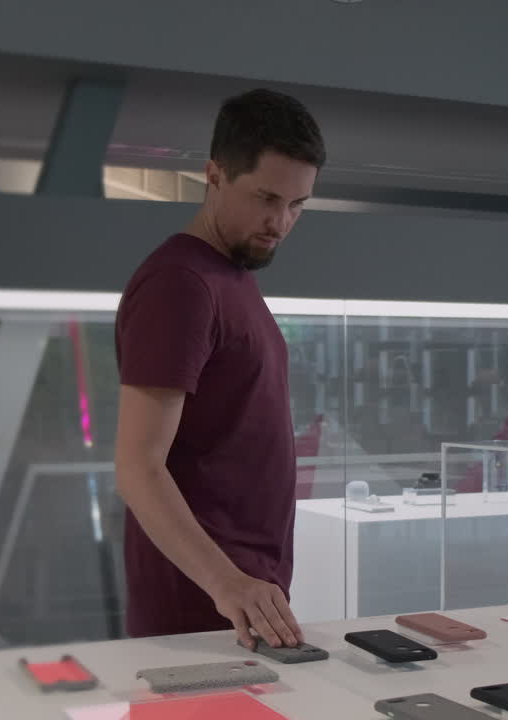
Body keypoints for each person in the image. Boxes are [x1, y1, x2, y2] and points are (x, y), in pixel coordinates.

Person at [114, 88, 325, 650]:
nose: (280, 222)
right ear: (213, 174)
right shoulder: (180, 284)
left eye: (297, 205)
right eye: (265, 197)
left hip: (244, 602)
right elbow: (137, 466)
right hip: (201, 608)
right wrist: (226, 582)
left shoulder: (231, 277)